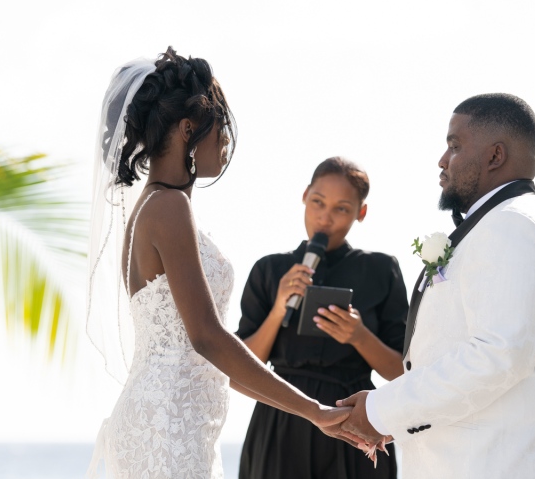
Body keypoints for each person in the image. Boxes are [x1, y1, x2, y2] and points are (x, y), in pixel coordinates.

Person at [85, 48, 354, 479]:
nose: (226, 140)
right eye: (221, 126)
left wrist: (312, 415)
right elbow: (208, 338)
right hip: (167, 428)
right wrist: (313, 409)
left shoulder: (153, 206)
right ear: (188, 129)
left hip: (177, 421)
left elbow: (214, 356)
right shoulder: (169, 206)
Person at [336, 94, 535, 478]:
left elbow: (498, 354)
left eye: (454, 146)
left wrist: (381, 411)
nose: (442, 160)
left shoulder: (513, 227)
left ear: (495, 156)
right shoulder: (509, 225)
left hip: (503, 464)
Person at [235, 157, 409, 479]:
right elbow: (241, 366)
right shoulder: (269, 269)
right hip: (280, 416)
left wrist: (359, 336)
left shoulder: (381, 270)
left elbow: (403, 372)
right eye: (317, 202)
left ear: (361, 212)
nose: (325, 217)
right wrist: (278, 309)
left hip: (353, 420)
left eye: (341, 208)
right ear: (304, 196)